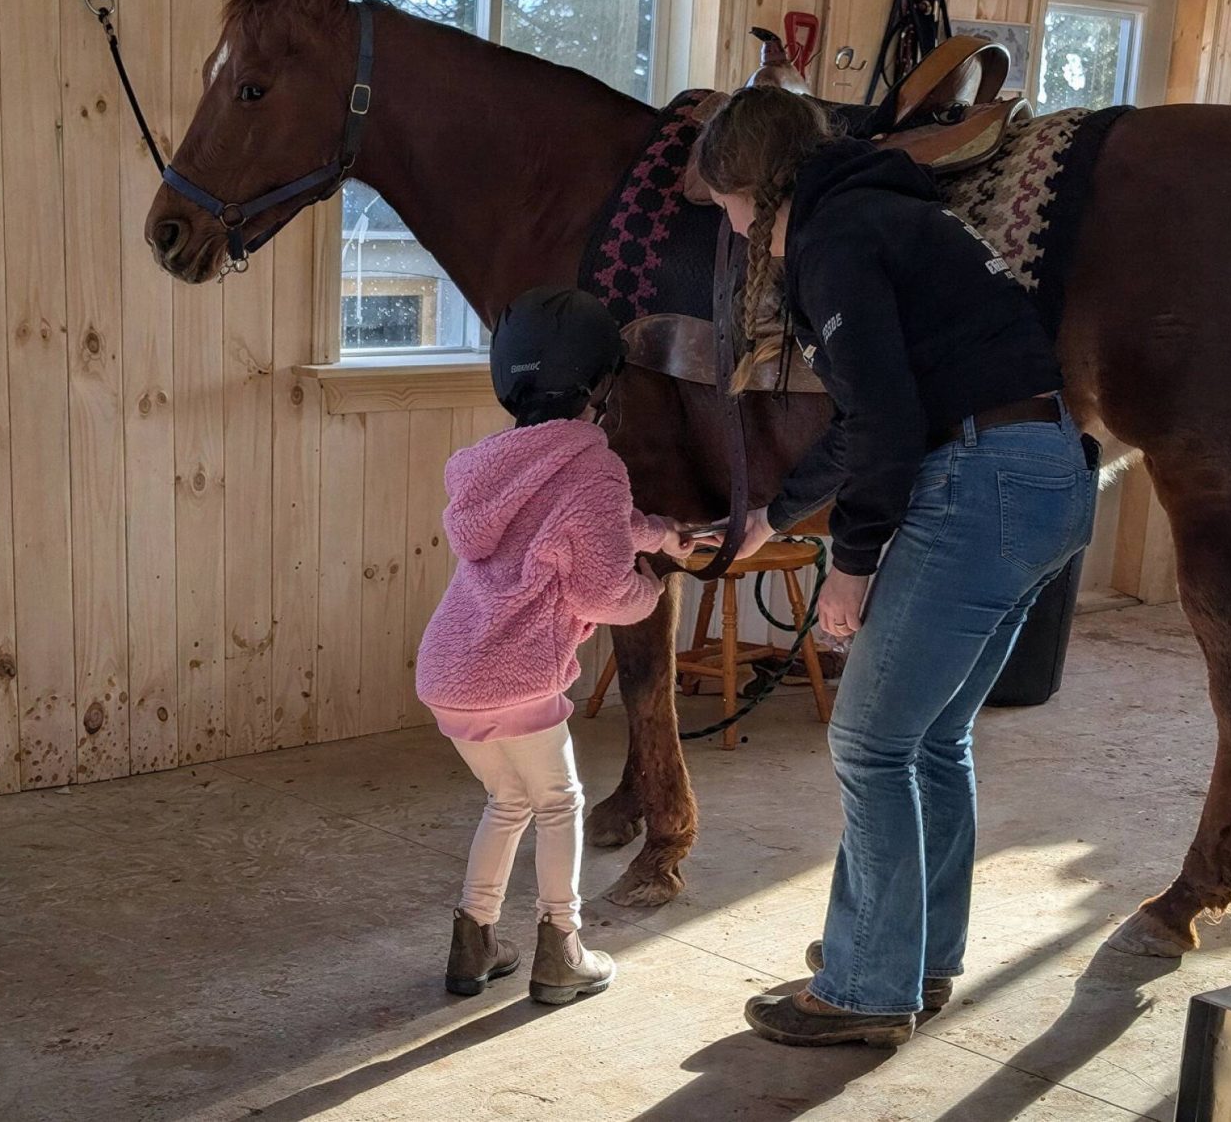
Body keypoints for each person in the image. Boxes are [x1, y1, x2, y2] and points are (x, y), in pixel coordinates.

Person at [694, 87, 1097, 1048]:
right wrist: (770, 515)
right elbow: (871, 413)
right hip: (1049, 475)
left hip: (979, 484)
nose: (736, 225)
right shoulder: (893, 213)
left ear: (757, 181)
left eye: (732, 206)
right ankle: (915, 955)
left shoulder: (834, 242)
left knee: (869, 742)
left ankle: (867, 986)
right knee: (930, 739)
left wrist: (851, 562)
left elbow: (886, 426)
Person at [416, 286, 693, 1004]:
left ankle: (473, 942)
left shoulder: (491, 466)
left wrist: (656, 531)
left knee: (508, 799)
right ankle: (562, 949)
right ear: (601, 385)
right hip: (518, 673)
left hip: (449, 669)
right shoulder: (594, 465)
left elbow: (578, 522)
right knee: (560, 802)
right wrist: (654, 588)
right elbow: (604, 590)